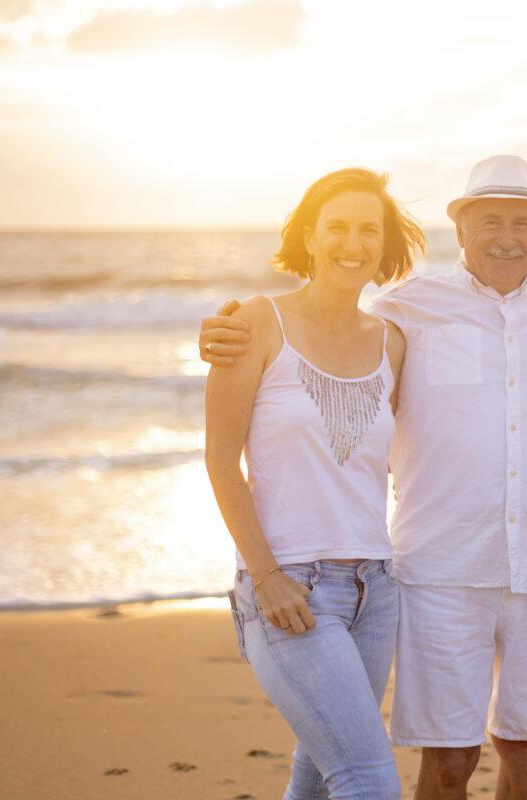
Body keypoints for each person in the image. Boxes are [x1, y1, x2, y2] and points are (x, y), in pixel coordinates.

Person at [201, 155, 527, 800]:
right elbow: (299, 354)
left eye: (523, 223)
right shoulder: (405, 311)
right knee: (421, 764)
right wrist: (221, 335)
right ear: (460, 229)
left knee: (523, 749)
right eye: (488, 220)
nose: (506, 237)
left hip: (502, 575)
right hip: (429, 571)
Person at [204, 167, 424, 800]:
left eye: (367, 231)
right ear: (308, 236)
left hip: (377, 591)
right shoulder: (254, 323)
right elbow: (222, 462)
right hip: (291, 592)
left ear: (385, 246)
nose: (351, 244)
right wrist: (266, 576)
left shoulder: (394, 342)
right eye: (336, 228)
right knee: (368, 780)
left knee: (321, 775)